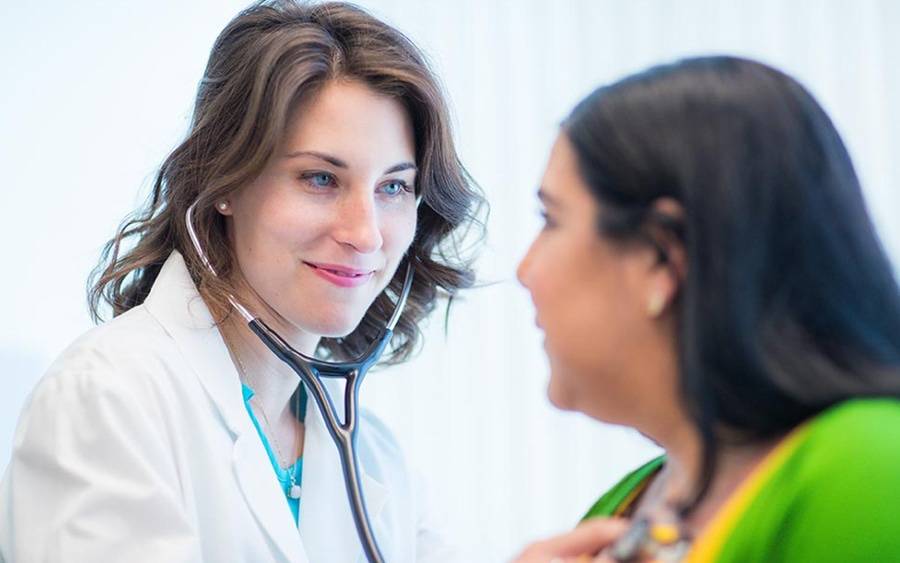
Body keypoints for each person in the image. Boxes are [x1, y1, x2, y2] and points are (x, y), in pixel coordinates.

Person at [0, 2, 483, 562]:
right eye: (321, 178)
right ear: (223, 180)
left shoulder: (373, 456)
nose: (366, 234)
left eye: (394, 188)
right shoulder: (108, 400)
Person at [514, 56, 900, 562]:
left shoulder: (872, 468)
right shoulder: (628, 503)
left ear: (661, 256)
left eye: (552, 219)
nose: (525, 270)